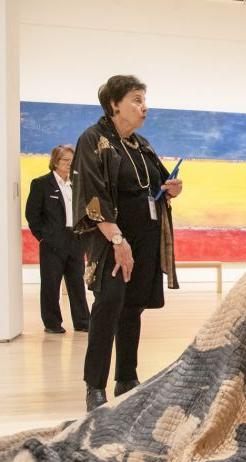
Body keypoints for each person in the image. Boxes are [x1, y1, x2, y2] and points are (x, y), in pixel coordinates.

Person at [72, 75, 183, 412]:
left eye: (144, 99)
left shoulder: (141, 144)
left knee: (132, 308)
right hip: (112, 240)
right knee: (108, 306)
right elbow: (93, 196)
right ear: (114, 104)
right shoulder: (94, 140)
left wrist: (173, 187)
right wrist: (118, 239)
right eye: (136, 99)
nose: (144, 107)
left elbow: (160, 182)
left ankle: (126, 378)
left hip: (144, 239)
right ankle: (94, 386)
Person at [25, 144, 89, 334]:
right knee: (51, 284)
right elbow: (32, 215)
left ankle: (83, 321)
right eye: (65, 160)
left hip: (75, 240)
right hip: (52, 243)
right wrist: (44, 237)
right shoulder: (41, 184)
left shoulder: (77, 184)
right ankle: (52, 323)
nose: (69, 164)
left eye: (72, 161)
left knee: (77, 283)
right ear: (55, 161)